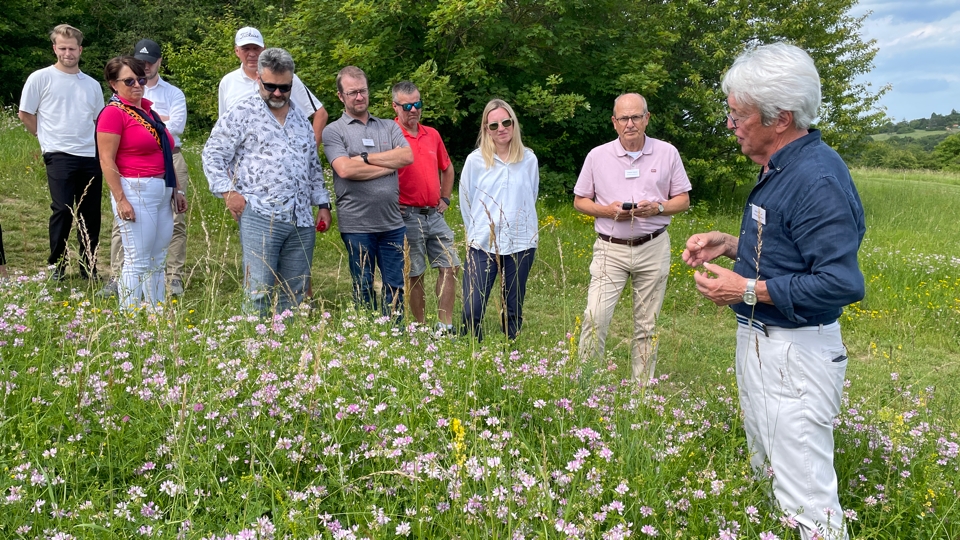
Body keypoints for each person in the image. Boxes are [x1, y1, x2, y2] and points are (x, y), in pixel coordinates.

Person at [681, 43, 865, 540]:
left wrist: (747, 289)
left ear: (780, 118)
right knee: (771, 473)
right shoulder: (781, 168)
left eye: (738, 114)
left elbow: (838, 283)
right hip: (765, 344)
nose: (730, 124)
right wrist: (730, 244)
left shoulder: (816, 177)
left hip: (796, 352)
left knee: (808, 500)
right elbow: (791, 249)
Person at [203, 48, 332, 317]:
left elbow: (312, 166)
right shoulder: (241, 112)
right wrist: (229, 194)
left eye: (284, 87)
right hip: (260, 214)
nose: (277, 93)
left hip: (301, 219)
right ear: (259, 80)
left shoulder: (300, 120)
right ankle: (256, 350)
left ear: (292, 83)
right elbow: (213, 154)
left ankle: (288, 348)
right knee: (259, 291)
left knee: (295, 292)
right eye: (270, 86)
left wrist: (322, 204)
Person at [573, 93, 691, 384]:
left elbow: (683, 200)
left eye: (636, 117)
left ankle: (641, 394)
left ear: (647, 118)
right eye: (623, 118)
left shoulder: (667, 153)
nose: (630, 124)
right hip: (610, 248)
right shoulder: (597, 156)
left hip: (652, 245)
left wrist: (658, 207)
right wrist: (606, 210)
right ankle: (586, 386)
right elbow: (579, 201)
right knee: (595, 317)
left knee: (646, 325)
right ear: (614, 123)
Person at [100, 38, 191, 298]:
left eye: (140, 80)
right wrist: (120, 199)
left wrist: (175, 190)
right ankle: (130, 319)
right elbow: (107, 160)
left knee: (158, 258)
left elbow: (166, 149)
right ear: (113, 84)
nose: (137, 85)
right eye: (129, 81)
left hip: (161, 189)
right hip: (135, 188)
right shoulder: (114, 113)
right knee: (138, 259)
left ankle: (154, 314)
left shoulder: (148, 111)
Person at [322, 66, 413, 320]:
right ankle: (366, 335)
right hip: (357, 225)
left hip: (392, 223)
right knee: (362, 285)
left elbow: (406, 156)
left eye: (363, 91)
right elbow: (345, 169)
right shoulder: (334, 131)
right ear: (341, 96)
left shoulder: (388, 127)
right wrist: (387, 166)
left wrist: (364, 159)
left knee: (395, 286)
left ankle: (394, 335)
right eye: (352, 93)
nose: (359, 97)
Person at [18, 24, 104, 281]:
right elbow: (25, 113)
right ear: (55, 48)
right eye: (62, 48)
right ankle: (57, 265)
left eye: (72, 48)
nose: (68, 53)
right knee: (63, 210)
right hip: (58, 154)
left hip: (90, 154)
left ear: (80, 49)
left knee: (90, 214)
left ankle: (89, 267)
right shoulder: (40, 78)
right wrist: (44, 138)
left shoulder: (91, 84)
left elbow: (99, 121)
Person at [460, 99, 539, 341]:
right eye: (493, 125)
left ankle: (510, 354)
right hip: (483, 243)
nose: (501, 128)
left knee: (512, 307)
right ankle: (472, 351)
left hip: (520, 244)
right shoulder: (475, 161)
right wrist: (476, 232)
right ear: (486, 129)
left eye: (506, 122)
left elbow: (531, 197)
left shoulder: (528, 160)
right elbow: (466, 200)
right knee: (472, 306)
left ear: (514, 124)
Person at [391, 81, 460, 333]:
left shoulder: (432, 134)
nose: (413, 110)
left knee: (450, 266)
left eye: (417, 104)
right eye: (407, 105)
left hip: (434, 213)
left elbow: (448, 167)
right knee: (415, 272)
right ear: (395, 106)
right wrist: (390, 203)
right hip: (407, 215)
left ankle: (445, 326)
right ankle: (420, 328)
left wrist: (446, 197)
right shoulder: (391, 135)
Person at [218, 27, 328, 146]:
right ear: (237, 51)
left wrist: (310, 153)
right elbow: (223, 129)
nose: (252, 54)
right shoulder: (227, 82)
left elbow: (320, 114)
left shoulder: (287, 78)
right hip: (242, 161)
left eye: (256, 48)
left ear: (264, 49)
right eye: (246, 49)